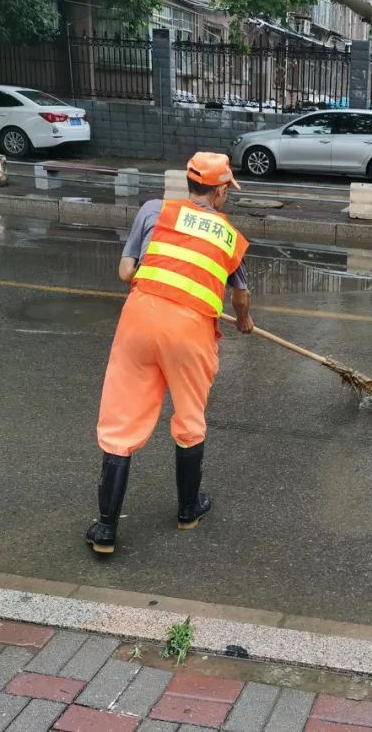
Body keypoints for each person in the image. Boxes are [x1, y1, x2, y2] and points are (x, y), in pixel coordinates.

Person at [86, 152, 254, 554]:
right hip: (190, 332)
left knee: (121, 422)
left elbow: (126, 272)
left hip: (140, 320)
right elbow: (241, 295)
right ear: (218, 191)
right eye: (226, 189)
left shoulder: (152, 210)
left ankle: (106, 529)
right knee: (189, 418)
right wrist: (244, 321)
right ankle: (188, 511)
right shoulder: (228, 235)